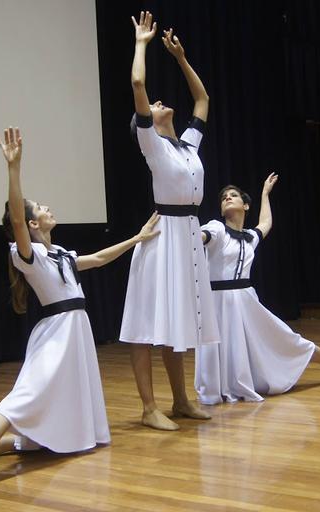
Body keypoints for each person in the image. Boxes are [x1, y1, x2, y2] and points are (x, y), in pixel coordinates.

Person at [0, 127, 160, 502]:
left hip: (76, 332)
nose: (46, 208)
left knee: (66, 429)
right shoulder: (26, 254)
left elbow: (100, 258)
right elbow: (15, 214)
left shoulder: (61, 254)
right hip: (56, 333)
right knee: (21, 398)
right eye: (38, 207)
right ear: (30, 225)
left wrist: (137, 238)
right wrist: (14, 170)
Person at [120, 11, 220, 431]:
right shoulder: (154, 146)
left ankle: (181, 400)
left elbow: (203, 100)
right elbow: (138, 84)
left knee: (179, 320)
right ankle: (148, 407)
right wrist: (141, 42)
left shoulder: (187, 146)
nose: (159, 103)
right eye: (155, 107)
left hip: (186, 237)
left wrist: (181, 58)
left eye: (160, 104)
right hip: (162, 236)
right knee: (145, 323)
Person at [195, 173, 320, 404]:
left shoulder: (249, 237)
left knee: (287, 339)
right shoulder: (216, 229)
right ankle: (230, 384)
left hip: (246, 301)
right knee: (224, 350)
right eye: (224, 197)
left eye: (233, 195)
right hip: (219, 303)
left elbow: (265, 223)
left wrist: (265, 193)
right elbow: (202, 236)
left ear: (245, 205)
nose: (227, 198)